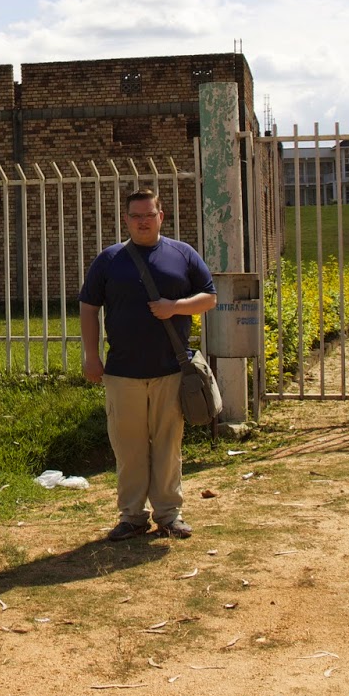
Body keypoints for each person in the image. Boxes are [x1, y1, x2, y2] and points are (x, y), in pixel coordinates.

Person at [80, 187, 217, 541]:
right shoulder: (109, 260)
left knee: (169, 445)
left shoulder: (182, 254)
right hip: (122, 372)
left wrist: (176, 307)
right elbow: (89, 307)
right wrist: (91, 356)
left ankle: (170, 514)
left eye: (149, 215)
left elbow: (210, 297)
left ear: (161, 217)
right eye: (136, 216)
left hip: (169, 370)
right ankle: (132, 516)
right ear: (126, 219)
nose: (143, 222)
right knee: (128, 448)